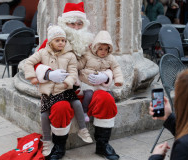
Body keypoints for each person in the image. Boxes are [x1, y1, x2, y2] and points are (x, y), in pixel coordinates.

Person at [33, 2, 120, 160]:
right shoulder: (52, 42)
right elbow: (35, 63)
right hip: (61, 90)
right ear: (64, 23)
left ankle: (102, 144)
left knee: (106, 99)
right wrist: (48, 74)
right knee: (60, 107)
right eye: (71, 23)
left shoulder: (90, 44)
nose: (76, 27)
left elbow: (106, 60)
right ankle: (59, 147)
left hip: (87, 89)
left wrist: (106, 76)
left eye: (79, 23)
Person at [24, 25, 93, 160]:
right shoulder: (43, 52)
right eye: (57, 40)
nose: (61, 42)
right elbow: (29, 62)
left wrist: (68, 82)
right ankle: (47, 140)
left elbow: (73, 72)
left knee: (76, 104)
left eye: (63, 40)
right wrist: (32, 77)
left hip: (65, 90)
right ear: (50, 42)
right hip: (48, 92)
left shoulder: (70, 55)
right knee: (44, 115)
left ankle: (82, 129)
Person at [78, 30, 123, 122]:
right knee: (88, 95)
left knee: (110, 95)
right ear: (95, 48)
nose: (103, 52)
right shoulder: (87, 55)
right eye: (101, 49)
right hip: (88, 82)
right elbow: (79, 65)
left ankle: (110, 114)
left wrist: (118, 80)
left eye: (106, 49)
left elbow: (116, 68)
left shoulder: (110, 58)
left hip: (101, 84)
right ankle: (84, 111)